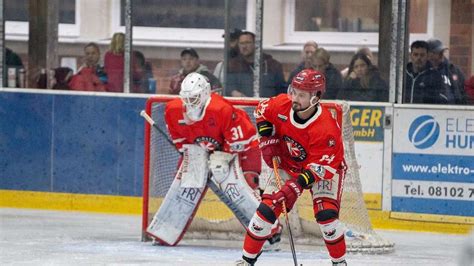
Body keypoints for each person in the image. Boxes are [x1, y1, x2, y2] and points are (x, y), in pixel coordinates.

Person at [236, 69, 347, 266]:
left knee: (326, 216)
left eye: (301, 95)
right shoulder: (282, 104)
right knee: (265, 212)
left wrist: (294, 187)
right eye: (293, 91)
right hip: (289, 164)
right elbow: (261, 109)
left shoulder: (326, 129)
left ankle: (339, 263)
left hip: (326, 169)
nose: (294, 98)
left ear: (316, 97)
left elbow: (320, 169)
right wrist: (266, 136)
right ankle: (246, 261)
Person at [163, 72, 281, 247]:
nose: (189, 103)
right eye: (186, 98)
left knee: (245, 187)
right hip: (207, 150)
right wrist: (195, 157)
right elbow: (181, 141)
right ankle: (166, 229)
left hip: (244, 149)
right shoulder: (173, 110)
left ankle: (270, 231)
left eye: (194, 98)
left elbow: (244, 138)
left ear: (204, 94)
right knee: (186, 179)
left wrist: (222, 156)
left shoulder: (220, 109)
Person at [226, 31, 286, 97]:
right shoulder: (233, 65)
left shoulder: (273, 65)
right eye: (241, 43)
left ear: (256, 44)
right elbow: (228, 86)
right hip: (242, 104)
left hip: (268, 105)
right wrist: (233, 92)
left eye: (248, 42)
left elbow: (282, 90)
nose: (244, 46)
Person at [427, 38, 467, 104]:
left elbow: (463, 91)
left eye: (442, 52)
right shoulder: (424, 71)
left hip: (453, 109)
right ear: (428, 54)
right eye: (437, 52)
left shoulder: (453, 70)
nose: (441, 55)